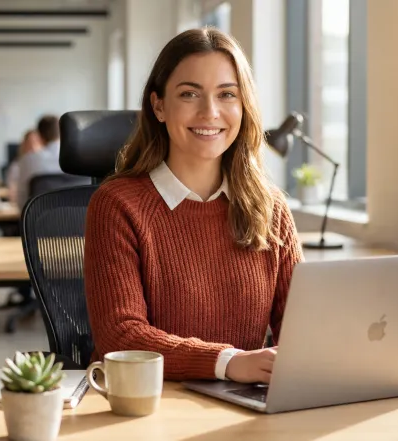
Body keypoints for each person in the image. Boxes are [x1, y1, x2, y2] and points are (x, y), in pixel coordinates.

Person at [83, 28, 303, 383]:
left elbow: (301, 329)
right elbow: (121, 336)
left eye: (227, 94)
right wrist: (227, 363)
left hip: (240, 403)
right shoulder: (117, 206)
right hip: (147, 401)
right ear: (159, 106)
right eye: (189, 94)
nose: (210, 112)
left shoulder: (270, 208)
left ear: (243, 106)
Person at [15, 115, 62, 208]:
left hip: (40, 215)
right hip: (78, 216)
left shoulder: (27, 160)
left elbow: (21, 202)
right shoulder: (80, 160)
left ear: (39, 136)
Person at [6, 129, 44, 203]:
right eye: (29, 143)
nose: (33, 146)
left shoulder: (46, 167)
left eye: (36, 142)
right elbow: (12, 193)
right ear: (24, 145)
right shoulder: (16, 166)